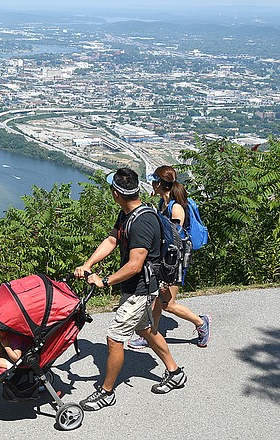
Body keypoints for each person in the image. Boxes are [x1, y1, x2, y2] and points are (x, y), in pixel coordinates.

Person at [74, 167, 186, 411]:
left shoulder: (142, 222)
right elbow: (112, 240)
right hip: (137, 287)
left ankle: (106, 392)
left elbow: (135, 265)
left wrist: (104, 281)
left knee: (114, 339)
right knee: (146, 329)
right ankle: (175, 372)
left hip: (142, 289)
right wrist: (88, 264)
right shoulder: (127, 213)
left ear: (116, 193)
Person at [128, 165, 211, 350]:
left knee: (168, 304)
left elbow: (176, 240)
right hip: (167, 259)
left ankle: (201, 322)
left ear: (159, 184)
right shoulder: (163, 203)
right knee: (157, 299)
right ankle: (151, 334)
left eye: (153, 181)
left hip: (176, 262)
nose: (151, 183)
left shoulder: (176, 208)